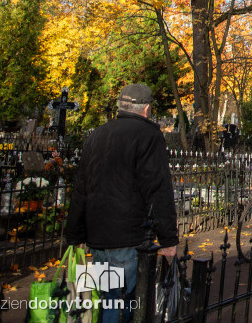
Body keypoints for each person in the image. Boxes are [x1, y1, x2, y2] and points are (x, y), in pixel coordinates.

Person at [65, 83, 177, 323]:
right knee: (126, 306)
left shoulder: (97, 134)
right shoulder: (149, 135)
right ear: (146, 109)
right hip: (129, 237)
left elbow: (81, 187)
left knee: (109, 299)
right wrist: (168, 240)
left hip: (98, 237)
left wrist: (75, 235)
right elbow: (158, 189)